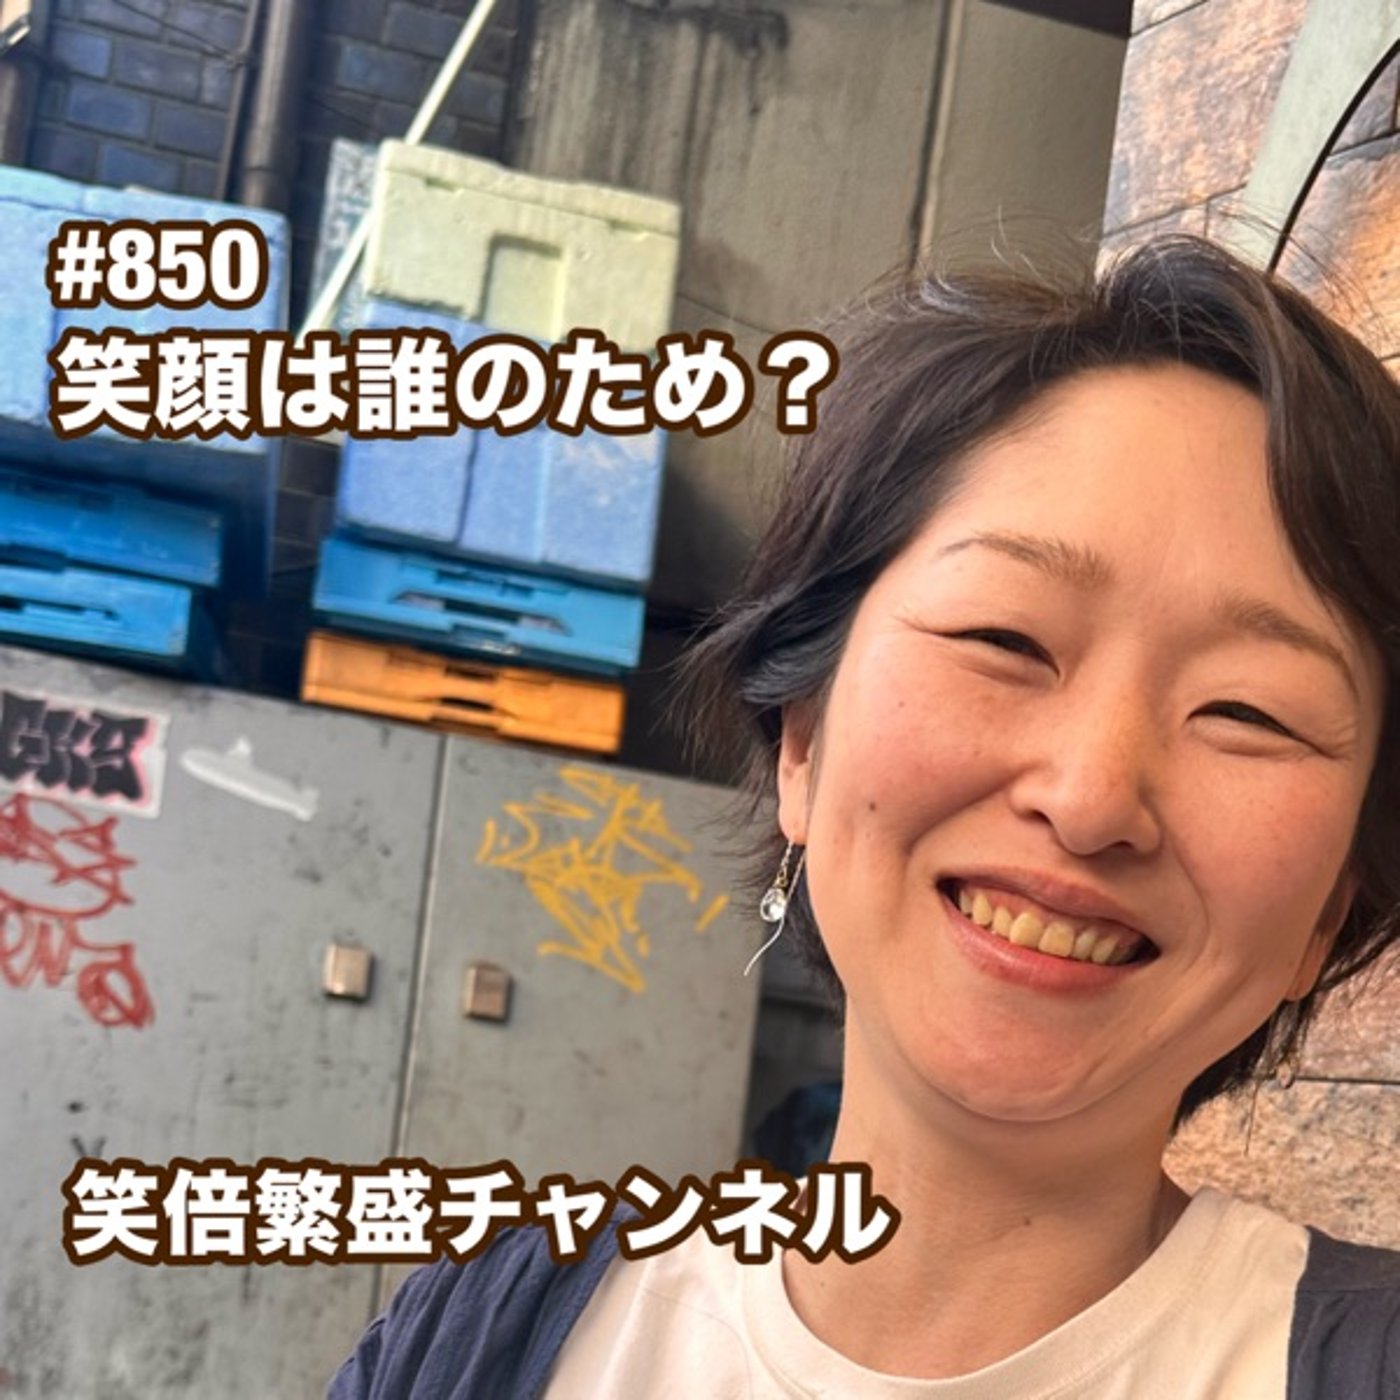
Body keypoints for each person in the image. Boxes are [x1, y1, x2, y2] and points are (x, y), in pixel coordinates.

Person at [329, 236, 1400, 1398]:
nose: (1090, 795)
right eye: (1004, 637)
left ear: (1329, 907)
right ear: (800, 737)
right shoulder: (481, 1337)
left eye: (1245, 710)